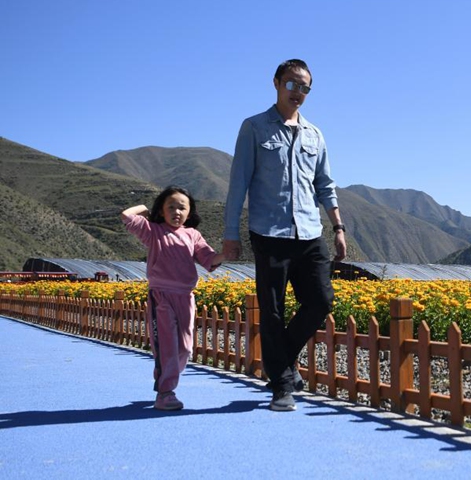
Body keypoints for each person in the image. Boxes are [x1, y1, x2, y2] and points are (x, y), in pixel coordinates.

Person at [223, 58, 346, 412]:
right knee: (273, 311)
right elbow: (238, 184)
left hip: (310, 232)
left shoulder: (315, 135)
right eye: (292, 84)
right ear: (276, 83)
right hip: (269, 231)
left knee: (321, 300)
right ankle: (281, 385)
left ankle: (280, 363)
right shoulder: (254, 128)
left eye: (305, 87)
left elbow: (325, 185)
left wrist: (338, 227)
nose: (298, 92)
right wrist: (231, 234)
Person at [121, 186, 225, 411]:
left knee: (185, 348)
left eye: (182, 207)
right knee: (166, 346)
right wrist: (146, 209)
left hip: (185, 297)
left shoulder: (193, 235)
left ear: (189, 212)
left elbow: (208, 259)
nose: (176, 211)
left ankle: (167, 383)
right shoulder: (153, 231)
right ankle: (165, 392)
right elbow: (127, 215)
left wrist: (226, 254)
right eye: (171, 207)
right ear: (161, 210)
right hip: (162, 296)